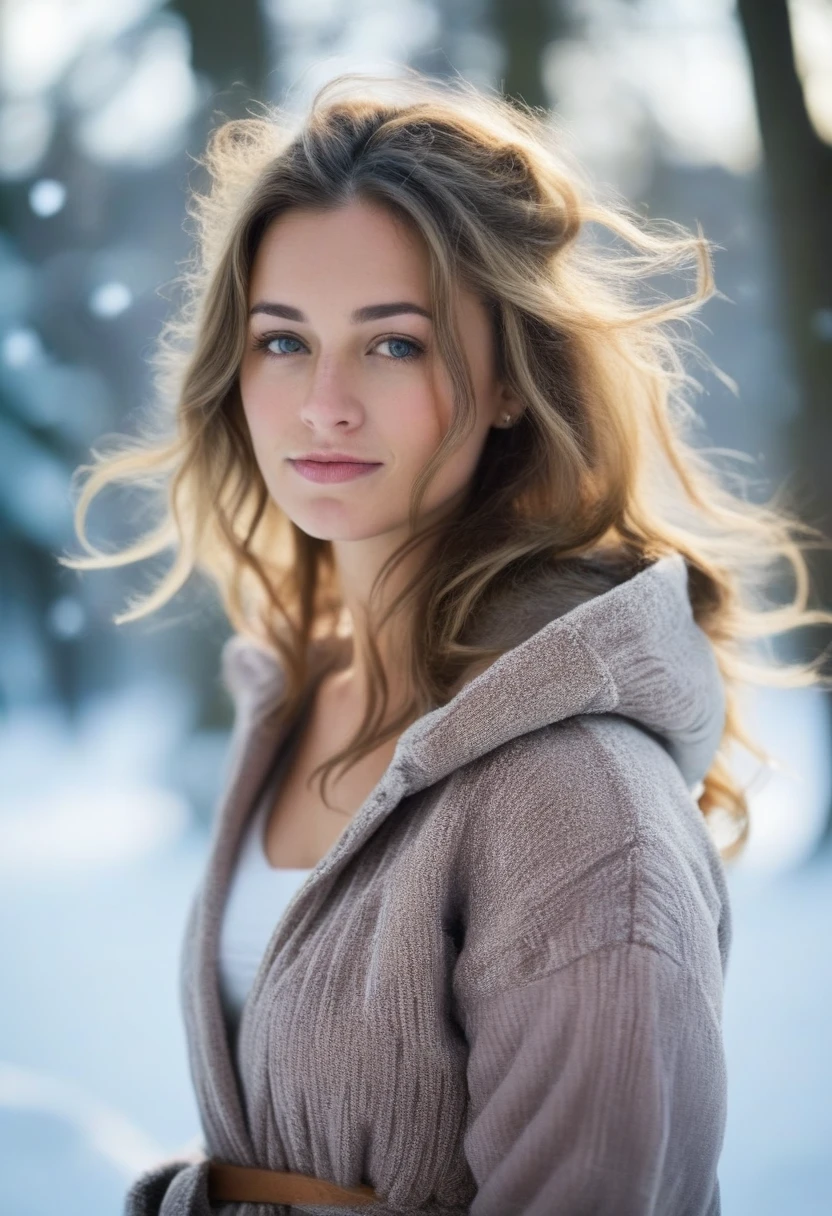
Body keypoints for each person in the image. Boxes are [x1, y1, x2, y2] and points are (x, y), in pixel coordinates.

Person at [60, 69, 832, 1216]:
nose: (323, 402)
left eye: (394, 346)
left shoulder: (574, 798)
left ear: (512, 380)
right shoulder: (297, 693)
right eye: (283, 342)